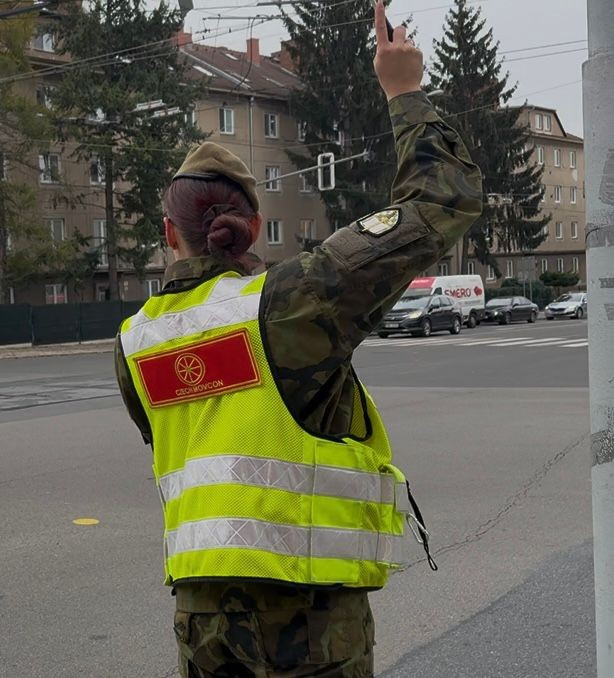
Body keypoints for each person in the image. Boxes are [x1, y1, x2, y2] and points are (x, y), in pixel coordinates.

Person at [113, 4, 483, 676]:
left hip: (201, 618)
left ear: (169, 234)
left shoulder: (134, 343)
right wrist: (403, 90)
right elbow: (442, 200)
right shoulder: (289, 303)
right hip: (306, 611)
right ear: (252, 228)